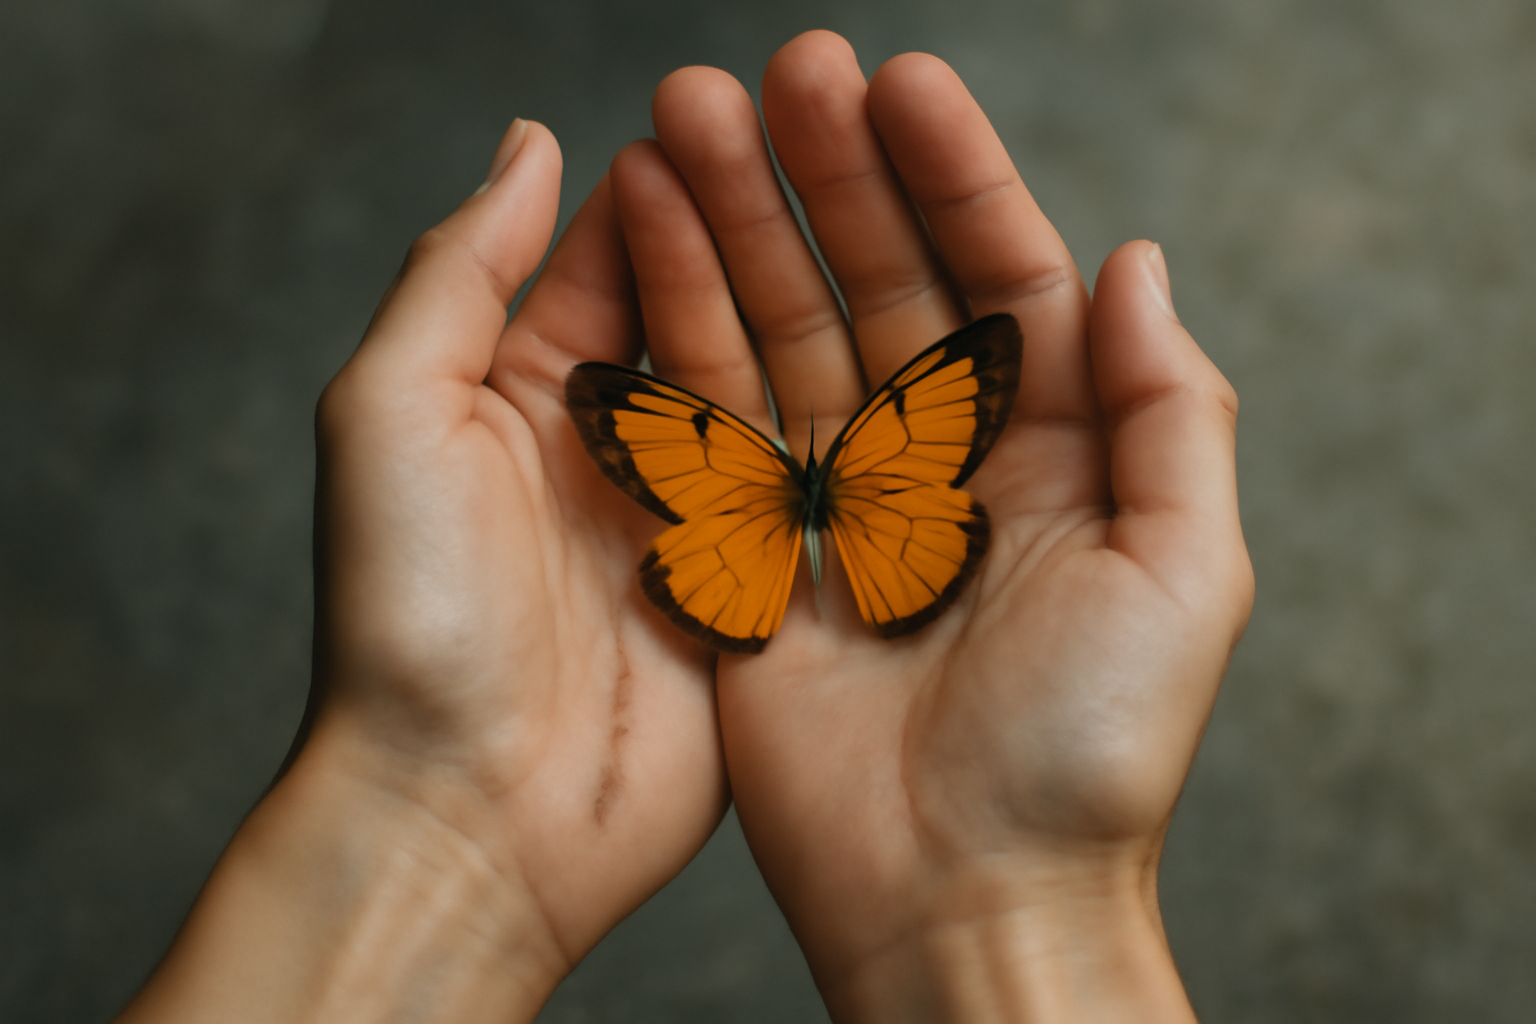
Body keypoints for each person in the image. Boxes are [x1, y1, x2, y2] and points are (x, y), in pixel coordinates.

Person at [114, 29, 1252, 1024]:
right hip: (890, 522)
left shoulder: (732, 452)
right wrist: (1013, 903)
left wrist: (430, 811)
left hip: (736, 529)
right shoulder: (883, 438)